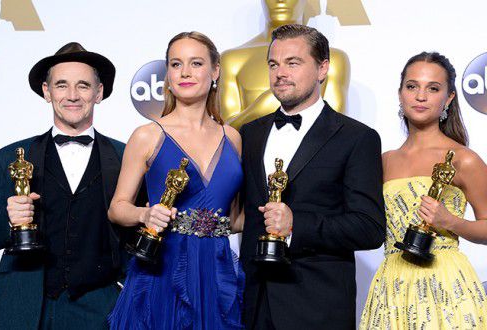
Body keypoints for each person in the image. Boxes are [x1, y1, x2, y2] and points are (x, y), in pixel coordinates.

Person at [240, 24, 385, 330]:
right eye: (273, 64)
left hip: (317, 308)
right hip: (254, 305)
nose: (280, 73)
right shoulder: (250, 134)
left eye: (293, 63)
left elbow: (369, 228)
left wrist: (297, 225)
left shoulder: (356, 138)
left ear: (322, 69)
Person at [108, 31, 244, 329]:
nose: (184, 72)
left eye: (196, 63)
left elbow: (234, 218)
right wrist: (145, 213)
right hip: (164, 266)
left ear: (215, 72)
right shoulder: (147, 135)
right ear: (167, 74)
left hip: (216, 268)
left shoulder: (232, 138)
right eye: (175, 64)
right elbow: (117, 207)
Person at [0, 42, 131, 329]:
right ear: (46, 91)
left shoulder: (126, 157)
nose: (72, 96)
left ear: (99, 92)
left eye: (83, 85)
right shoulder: (9, 158)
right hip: (24, 307)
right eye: (61, 85)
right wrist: (8, 221)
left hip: (100, 308)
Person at [360, 52, 487, 329]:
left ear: (449, 98)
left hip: (445, 285)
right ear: (400, 93)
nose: (421, 96)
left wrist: (451, 222)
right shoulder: (383, 161)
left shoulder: (464, 159)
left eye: (433, 88)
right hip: (392, 285)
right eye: (412, 86)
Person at [220, 0, 350, 129]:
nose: (280, 0)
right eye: (273, 65)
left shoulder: (335, 59)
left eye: (293, 63)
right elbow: (226, 132)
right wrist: (260, 109)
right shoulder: (233, 60)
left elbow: (336, 130)